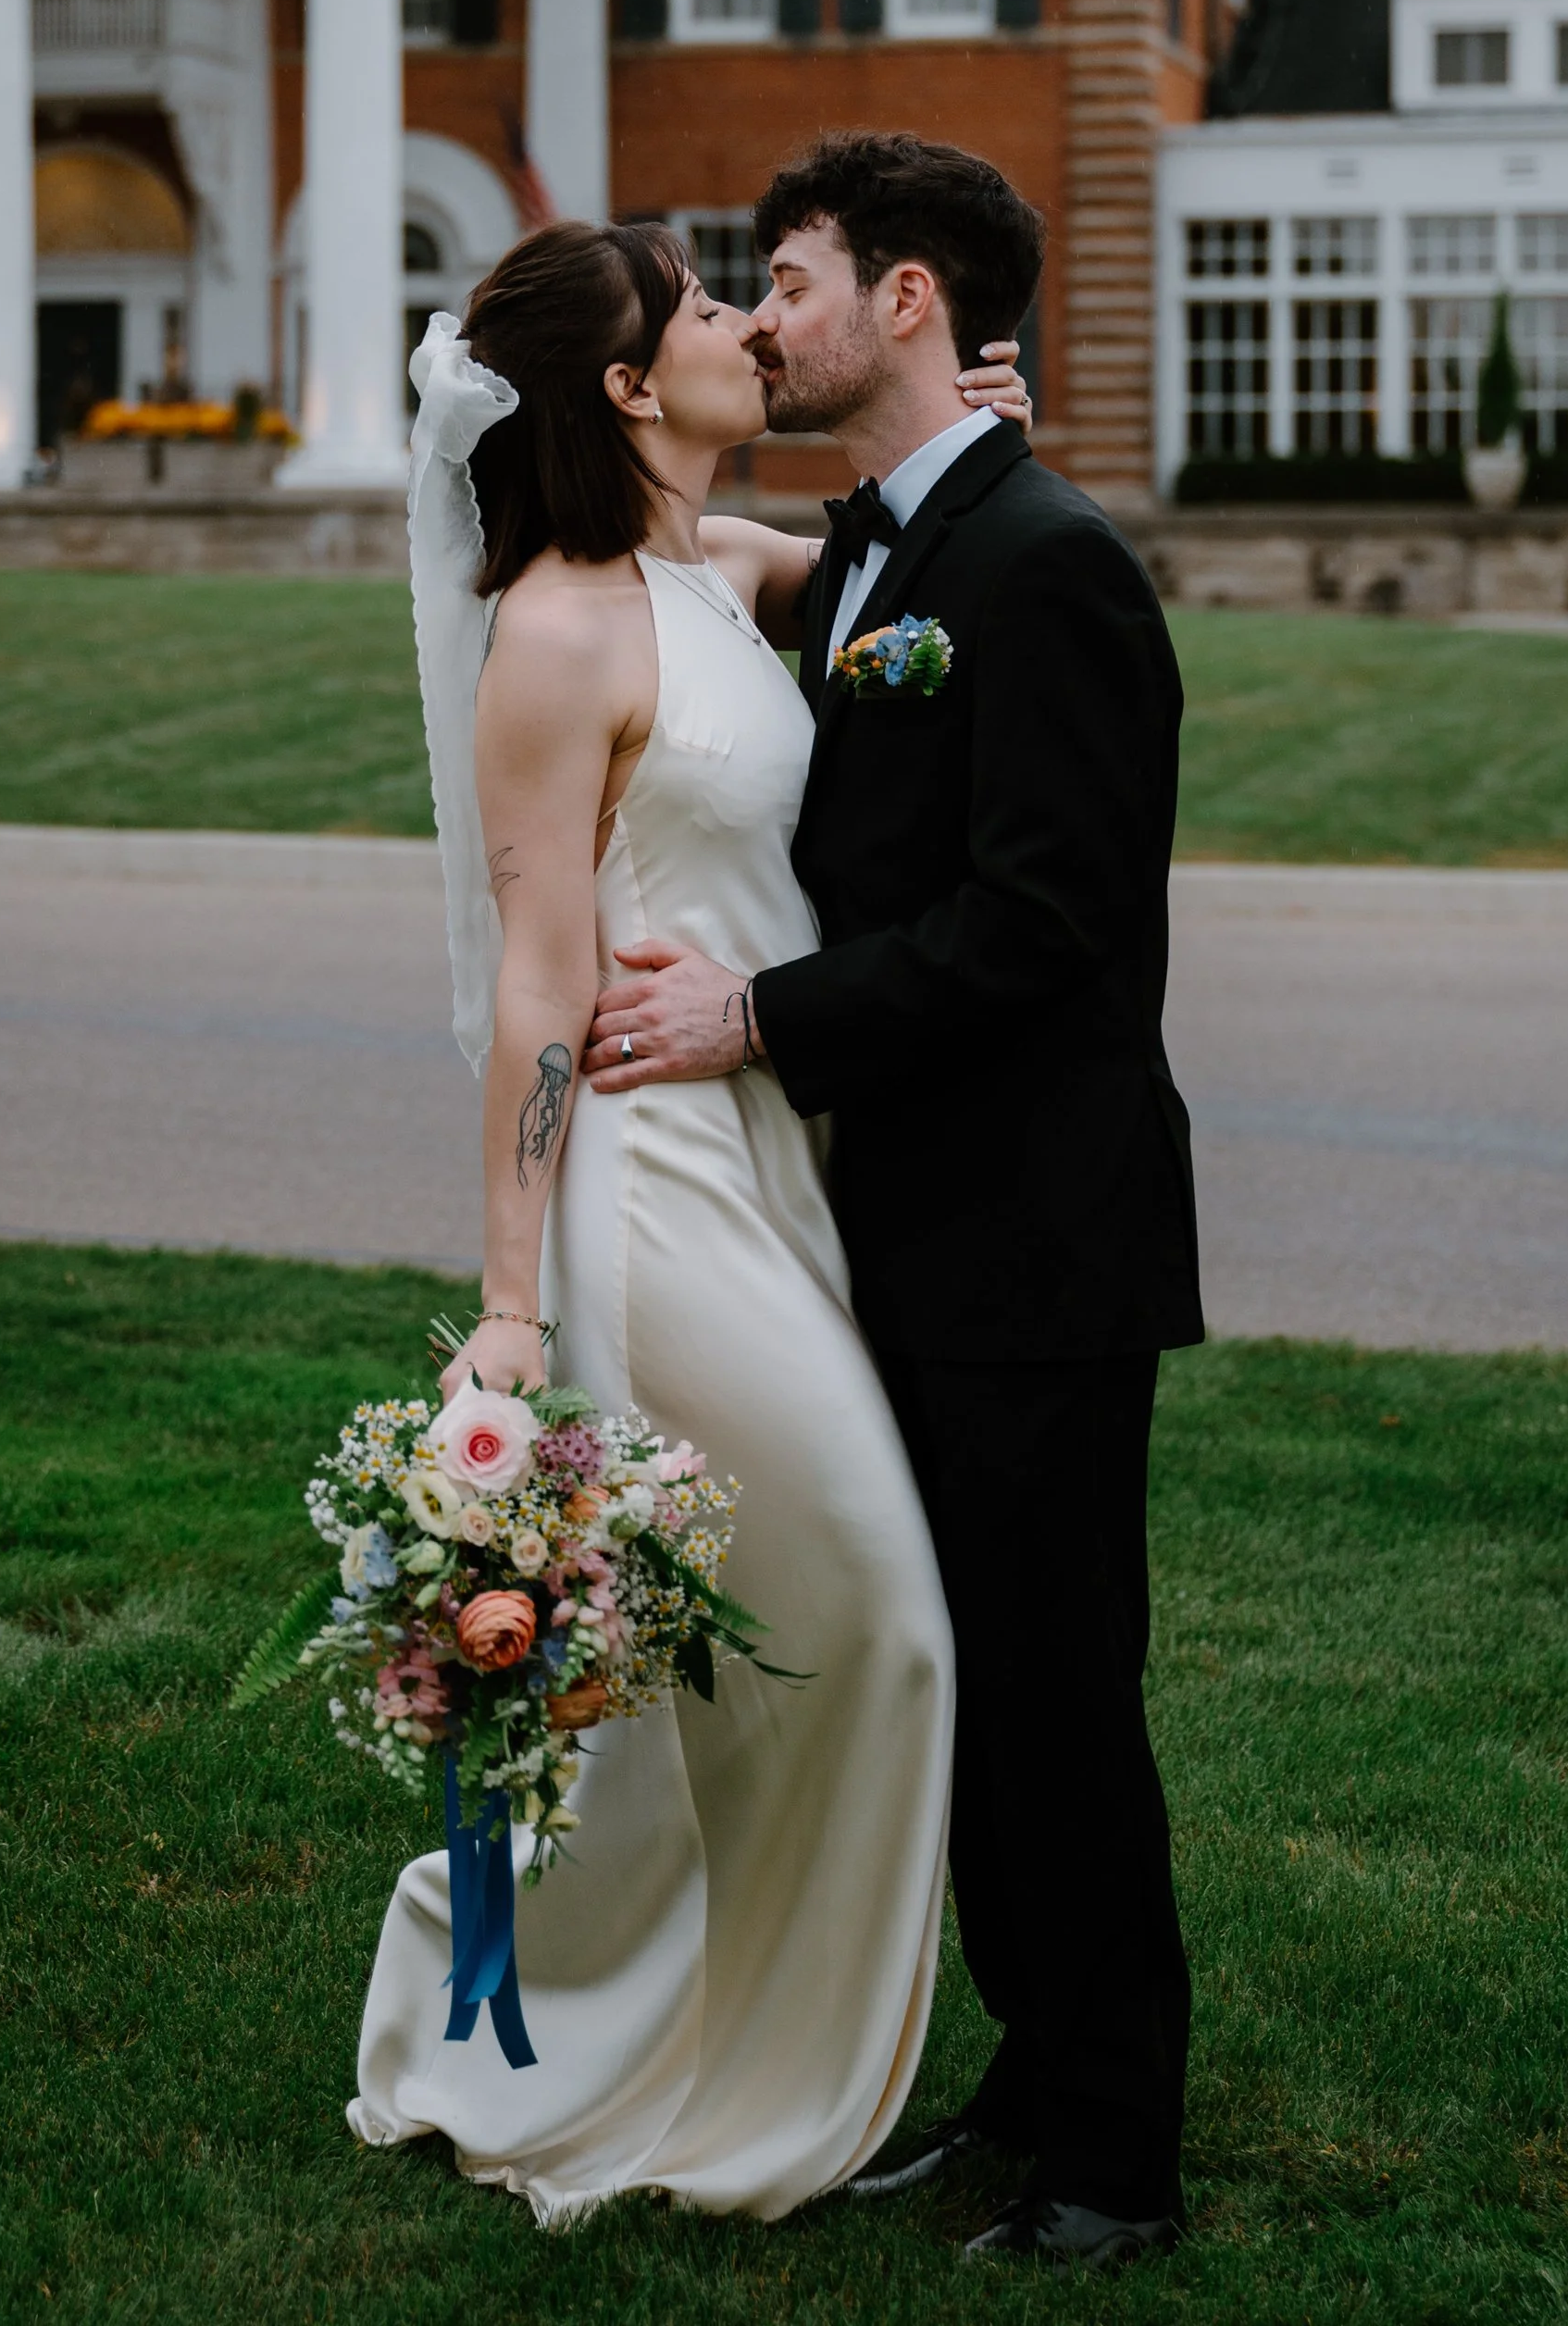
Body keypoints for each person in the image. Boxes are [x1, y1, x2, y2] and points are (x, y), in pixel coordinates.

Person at [347, 216, 1029, 2224]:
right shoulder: (556, 628)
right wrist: (509, 1301)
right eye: (714, 312)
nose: (750, 327)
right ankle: (760, 2079)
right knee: (881, 1619)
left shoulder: (708, 571)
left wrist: (972, 433)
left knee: (770, 1654)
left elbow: (914, 576)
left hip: (776, 1155)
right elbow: (540, 993)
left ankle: (710, 2008)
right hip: (651, 1196)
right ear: (632, 389)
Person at [586, 132, 1202, 2269]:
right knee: (960, 1668)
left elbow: (1051, 925)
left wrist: (754, 1013)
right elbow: (695, 548)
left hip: (1037, 1236)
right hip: (901, 1231)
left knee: (1052, 1687)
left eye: (796, 278)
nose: (765, 318)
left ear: (911, 299)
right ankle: (1035, 2075)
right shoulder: (874, 556)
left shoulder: (1048, 568)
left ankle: (1118, 2148)